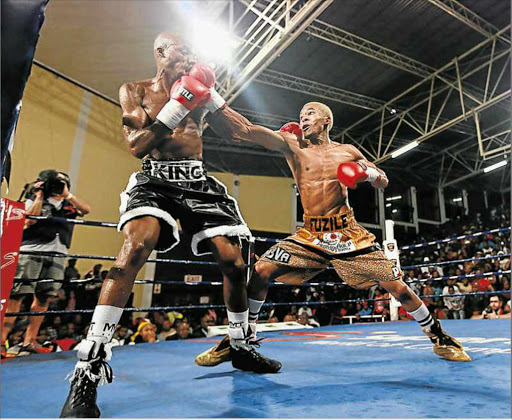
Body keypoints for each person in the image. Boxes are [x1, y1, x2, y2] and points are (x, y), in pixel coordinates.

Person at [60, 33, 280, 419]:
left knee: (235, 262)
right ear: (161, 53)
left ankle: (241, 347)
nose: (191, 56)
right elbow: (137, 145)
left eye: (194, 51)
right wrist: (178, 106)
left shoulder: (202, 87)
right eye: (183, 50)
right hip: (154, 180)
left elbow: (239, 130)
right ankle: (87, 370)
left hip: (197, 181)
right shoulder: (134, 90)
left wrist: (286, 142)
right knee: (136, 246)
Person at [195, 96, 471, 367]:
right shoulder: (292, 144)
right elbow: (245, 130)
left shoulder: (348, 151)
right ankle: (242, 337)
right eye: (301, 113)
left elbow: (382, 181)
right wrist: (212, 99)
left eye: (311, 112)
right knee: (261, 270)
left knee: (397, 287)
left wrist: (366, 172)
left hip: (347, 233)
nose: (303, 117)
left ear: (327, 120)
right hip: (310, 234)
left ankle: (438, 335)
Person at [1, 169, 91, 357]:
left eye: (63, 183)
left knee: (44, 298)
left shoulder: (69, 203)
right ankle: (2, 340)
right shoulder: (33, 198)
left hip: (58, 253)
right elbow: (30, 219)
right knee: (17, 296)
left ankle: (29, 341)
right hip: (32, 251)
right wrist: (40, 195)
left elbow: (86, 209)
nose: (59, 187)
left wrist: (68, 195)